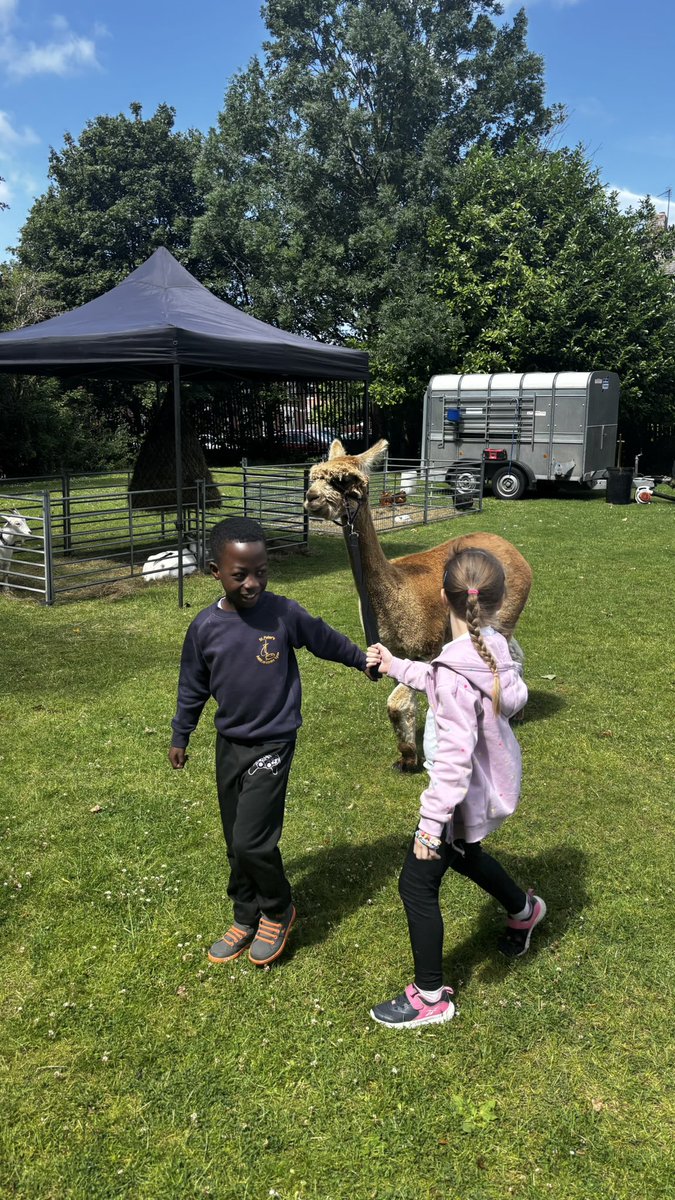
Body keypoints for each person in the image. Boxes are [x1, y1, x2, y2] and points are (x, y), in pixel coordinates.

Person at [169, 516, 368, 968]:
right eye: (240, 574)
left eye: (261, 571)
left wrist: (362, 661)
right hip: (230, 744)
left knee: (253, 840)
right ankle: (245, 914)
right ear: (215, 571)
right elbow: (193, 685)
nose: (253, 582)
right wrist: (182, 732)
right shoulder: (205, 628)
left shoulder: (282, 614)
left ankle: (278, 910)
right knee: (234, 842)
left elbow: (323, 638)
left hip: (273, 743)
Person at [365, 547, 545, 1029]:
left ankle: (430, 997)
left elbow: (453, 759)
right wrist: (396, 664)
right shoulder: (493, 649)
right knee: (467, 855)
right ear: (495, 601)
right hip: (490, 786)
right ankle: (525, 911)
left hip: (461, 794)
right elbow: (440, 677)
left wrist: (429, 826)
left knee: (416, 885)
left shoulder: (454, 666)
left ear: (443, 598)